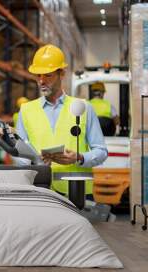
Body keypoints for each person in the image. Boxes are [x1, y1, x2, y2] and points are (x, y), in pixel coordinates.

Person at [14, 44, 108, 197]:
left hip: (77, 192)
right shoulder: (26, 111)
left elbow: (101, 151)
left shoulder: (84, 108)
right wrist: (34, 162)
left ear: (62, 74)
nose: (41, 81)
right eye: (38, 75)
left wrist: (80, 157)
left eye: (48, 75)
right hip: (40, 191)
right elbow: (18, 154)